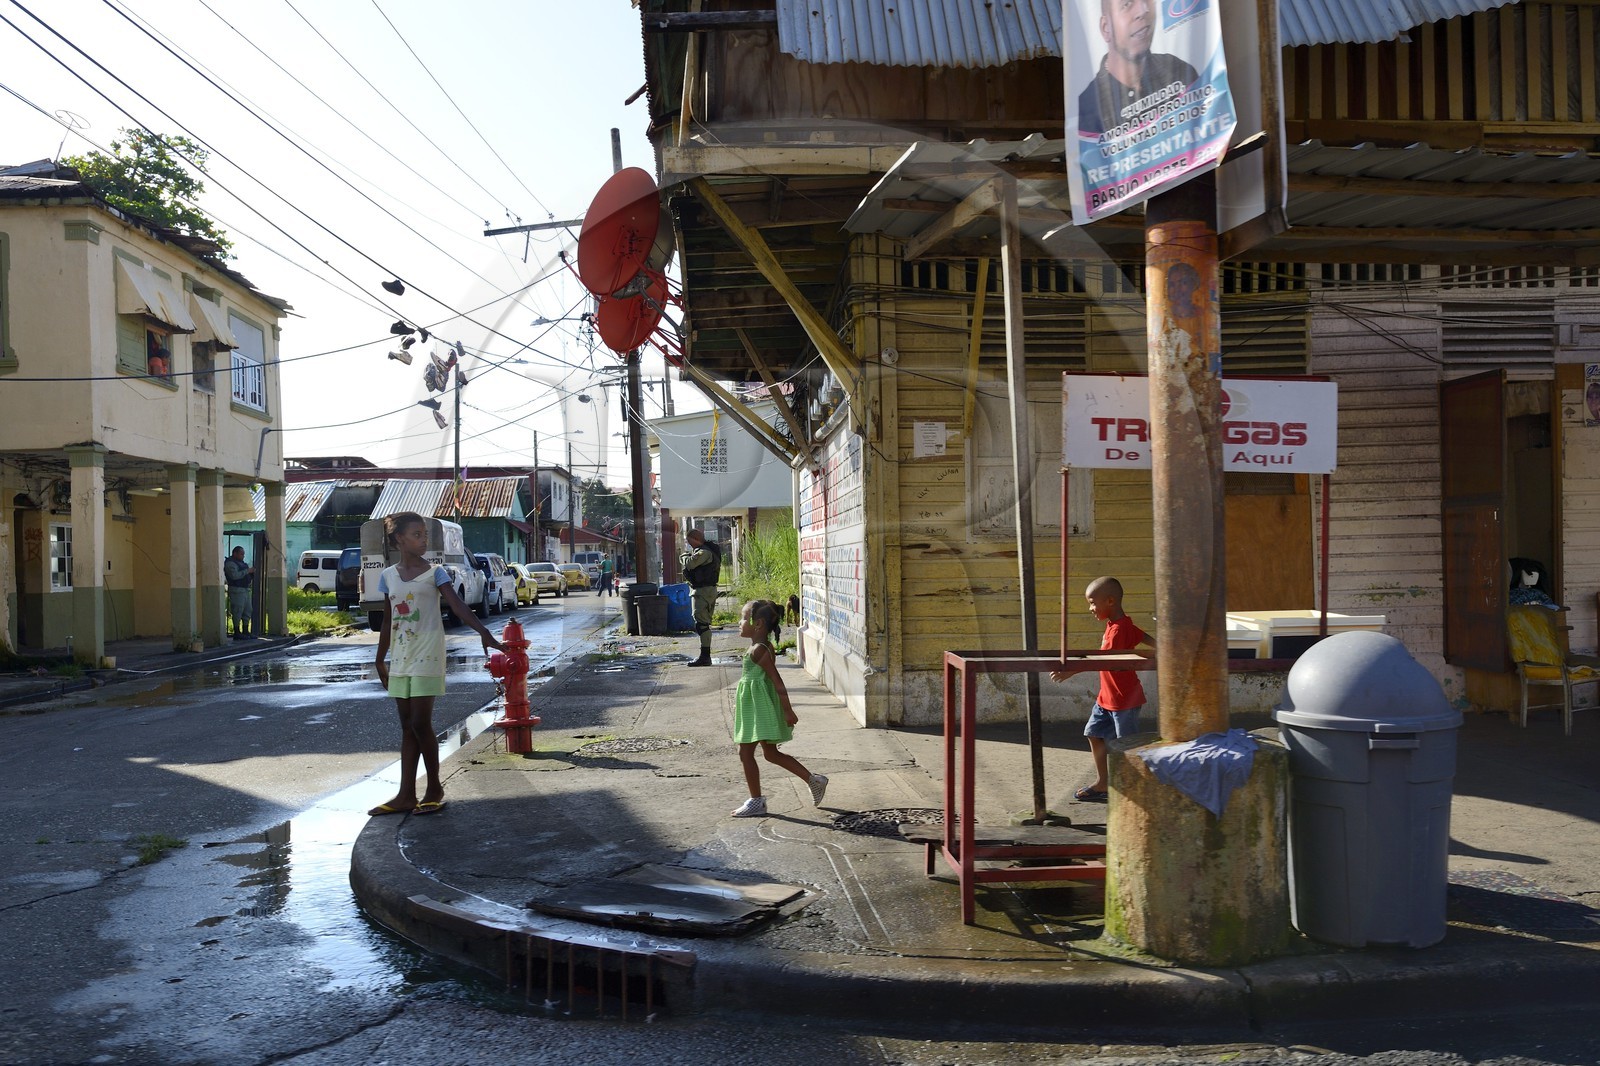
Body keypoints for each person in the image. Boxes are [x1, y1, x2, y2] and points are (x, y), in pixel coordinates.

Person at [368, 511, 502, 817]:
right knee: (406, 726)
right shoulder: (388, 576)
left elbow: (457, 604)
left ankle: (434, 788)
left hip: (428, 655)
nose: (423, 539)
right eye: (417, 534)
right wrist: (379, 659)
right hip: (401, 658)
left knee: (419, 723)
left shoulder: (436, 573)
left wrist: (483, 632)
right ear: (399, 539)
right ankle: (405, 794)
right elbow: (388, 621)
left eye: (425, 534)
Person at [1050, 576, 1155, 803]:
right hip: (1106, 698)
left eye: (1092, 602)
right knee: (1094, 734)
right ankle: (1102, 782)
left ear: (1109, 601)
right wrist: (1159, 647)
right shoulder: (1117, 626)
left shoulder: (1120, 629)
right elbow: (1143, 636)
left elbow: (1103, 660)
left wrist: (1072, 671)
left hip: (1124, 700)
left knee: (1128, 748)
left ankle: (1136, 790)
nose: (1090, 608)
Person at [730, 599, 827, 818]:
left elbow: (778, 682)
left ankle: (757, 801)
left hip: (760, 709)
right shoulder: (757, 648)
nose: (739, 622)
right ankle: (814, 780)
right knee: (770, 754)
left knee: (747, 753)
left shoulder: (759, 651)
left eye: (744, 617)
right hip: (755, 708)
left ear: (758, 624)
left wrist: (788, 711)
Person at [1077, 0, 1199, 138]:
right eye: (1127, 4)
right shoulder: (1088, 105)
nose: (1143, 10)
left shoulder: (1179, 70)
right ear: (1106, 28)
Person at [680, 527, 721, 667]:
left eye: (690, 542)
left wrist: (684, 556)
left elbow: (690, 564)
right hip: (704, 590)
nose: (690, 545)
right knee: (701, 623)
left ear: (697, 539)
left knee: (702, 623)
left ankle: (705, 657)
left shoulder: (704, 552)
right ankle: (705, 656)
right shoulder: (707, 550)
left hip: (703, 591)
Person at [224, 546, 254, 639]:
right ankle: (237, 632)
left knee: (248, 610)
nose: (243, 556)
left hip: (245, 589)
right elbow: (234, 576)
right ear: (235, 553)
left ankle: (245, 631)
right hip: (236, 590)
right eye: (241, 554)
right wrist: (247, 571)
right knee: (237, 610)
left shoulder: (241, 563)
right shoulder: (230, 563)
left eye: (243, 554)